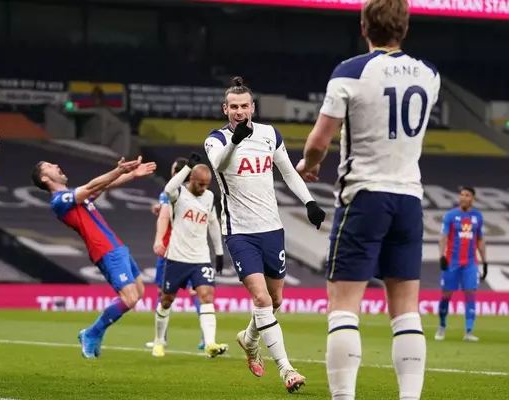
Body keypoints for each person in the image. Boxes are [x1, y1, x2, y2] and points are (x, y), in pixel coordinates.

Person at [296, 1, 440, 399]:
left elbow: (319, 141)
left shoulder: (351, 71)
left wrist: (309, 164)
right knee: (406, 310)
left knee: (343, 305)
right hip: (409, 199)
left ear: (364, 27)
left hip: (364, 196)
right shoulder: (429, 75)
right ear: (405, 27)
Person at [204, 77, 325, 393]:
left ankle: (249, 338)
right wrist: (236, 141)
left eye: (244, 106)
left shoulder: (270, 134)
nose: (239, 111)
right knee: (261, 298)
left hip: (272, 229)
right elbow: (219, 165)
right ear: (225, 109)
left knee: (275, 300)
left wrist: (309, 202)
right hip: (240, 232)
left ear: (252, 107)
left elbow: (288, 172)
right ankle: (286, 369)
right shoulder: (216, 139)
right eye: (234, 107)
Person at [31, 156, 157, 359]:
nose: (56, 165)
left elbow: (101, 186)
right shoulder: (59, 202)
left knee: (139, 292)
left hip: (117, 247)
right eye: (49, 166)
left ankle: (94, 332)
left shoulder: (75, 197)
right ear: (45, 178)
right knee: (130, 298)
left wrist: (132, 174)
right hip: (105, 251)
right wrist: (119, 170)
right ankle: (92, 333)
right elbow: (91, 186)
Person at [152, 154, 227, 358]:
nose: (204, 188)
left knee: (207, 297)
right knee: (166, 300)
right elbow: (168, 189)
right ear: (191, 179)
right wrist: (187, 168)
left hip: (200, 258)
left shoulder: (209, 197)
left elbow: (213, 223)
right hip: (176, 257)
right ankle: (159, 341)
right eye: (201, 184)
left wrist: (219, 252)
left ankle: (210, 343)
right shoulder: (178, 194)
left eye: (207, 185)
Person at [145, 157, 206, 351]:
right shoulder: (197, 194)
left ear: (177, 172)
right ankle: (207, 337)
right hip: (192, 249)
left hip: (170, 249)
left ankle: (160, 338)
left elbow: (165, 216)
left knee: (163, 294)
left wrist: (158, 240)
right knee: (197, 292)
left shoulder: (171, 192)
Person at [436, 186, 487, 342]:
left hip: (470, 262)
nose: (463, 197)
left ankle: (469, 331)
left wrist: (485, 261)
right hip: (452, 261)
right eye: (462, 195)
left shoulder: (477, 216)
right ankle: (442, 326)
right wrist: (441, 256)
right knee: (446, 294)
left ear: (473, 198)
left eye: (467, 195)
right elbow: (444, 237)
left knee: (470, 293)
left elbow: (480, 239)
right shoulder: (450, 215)